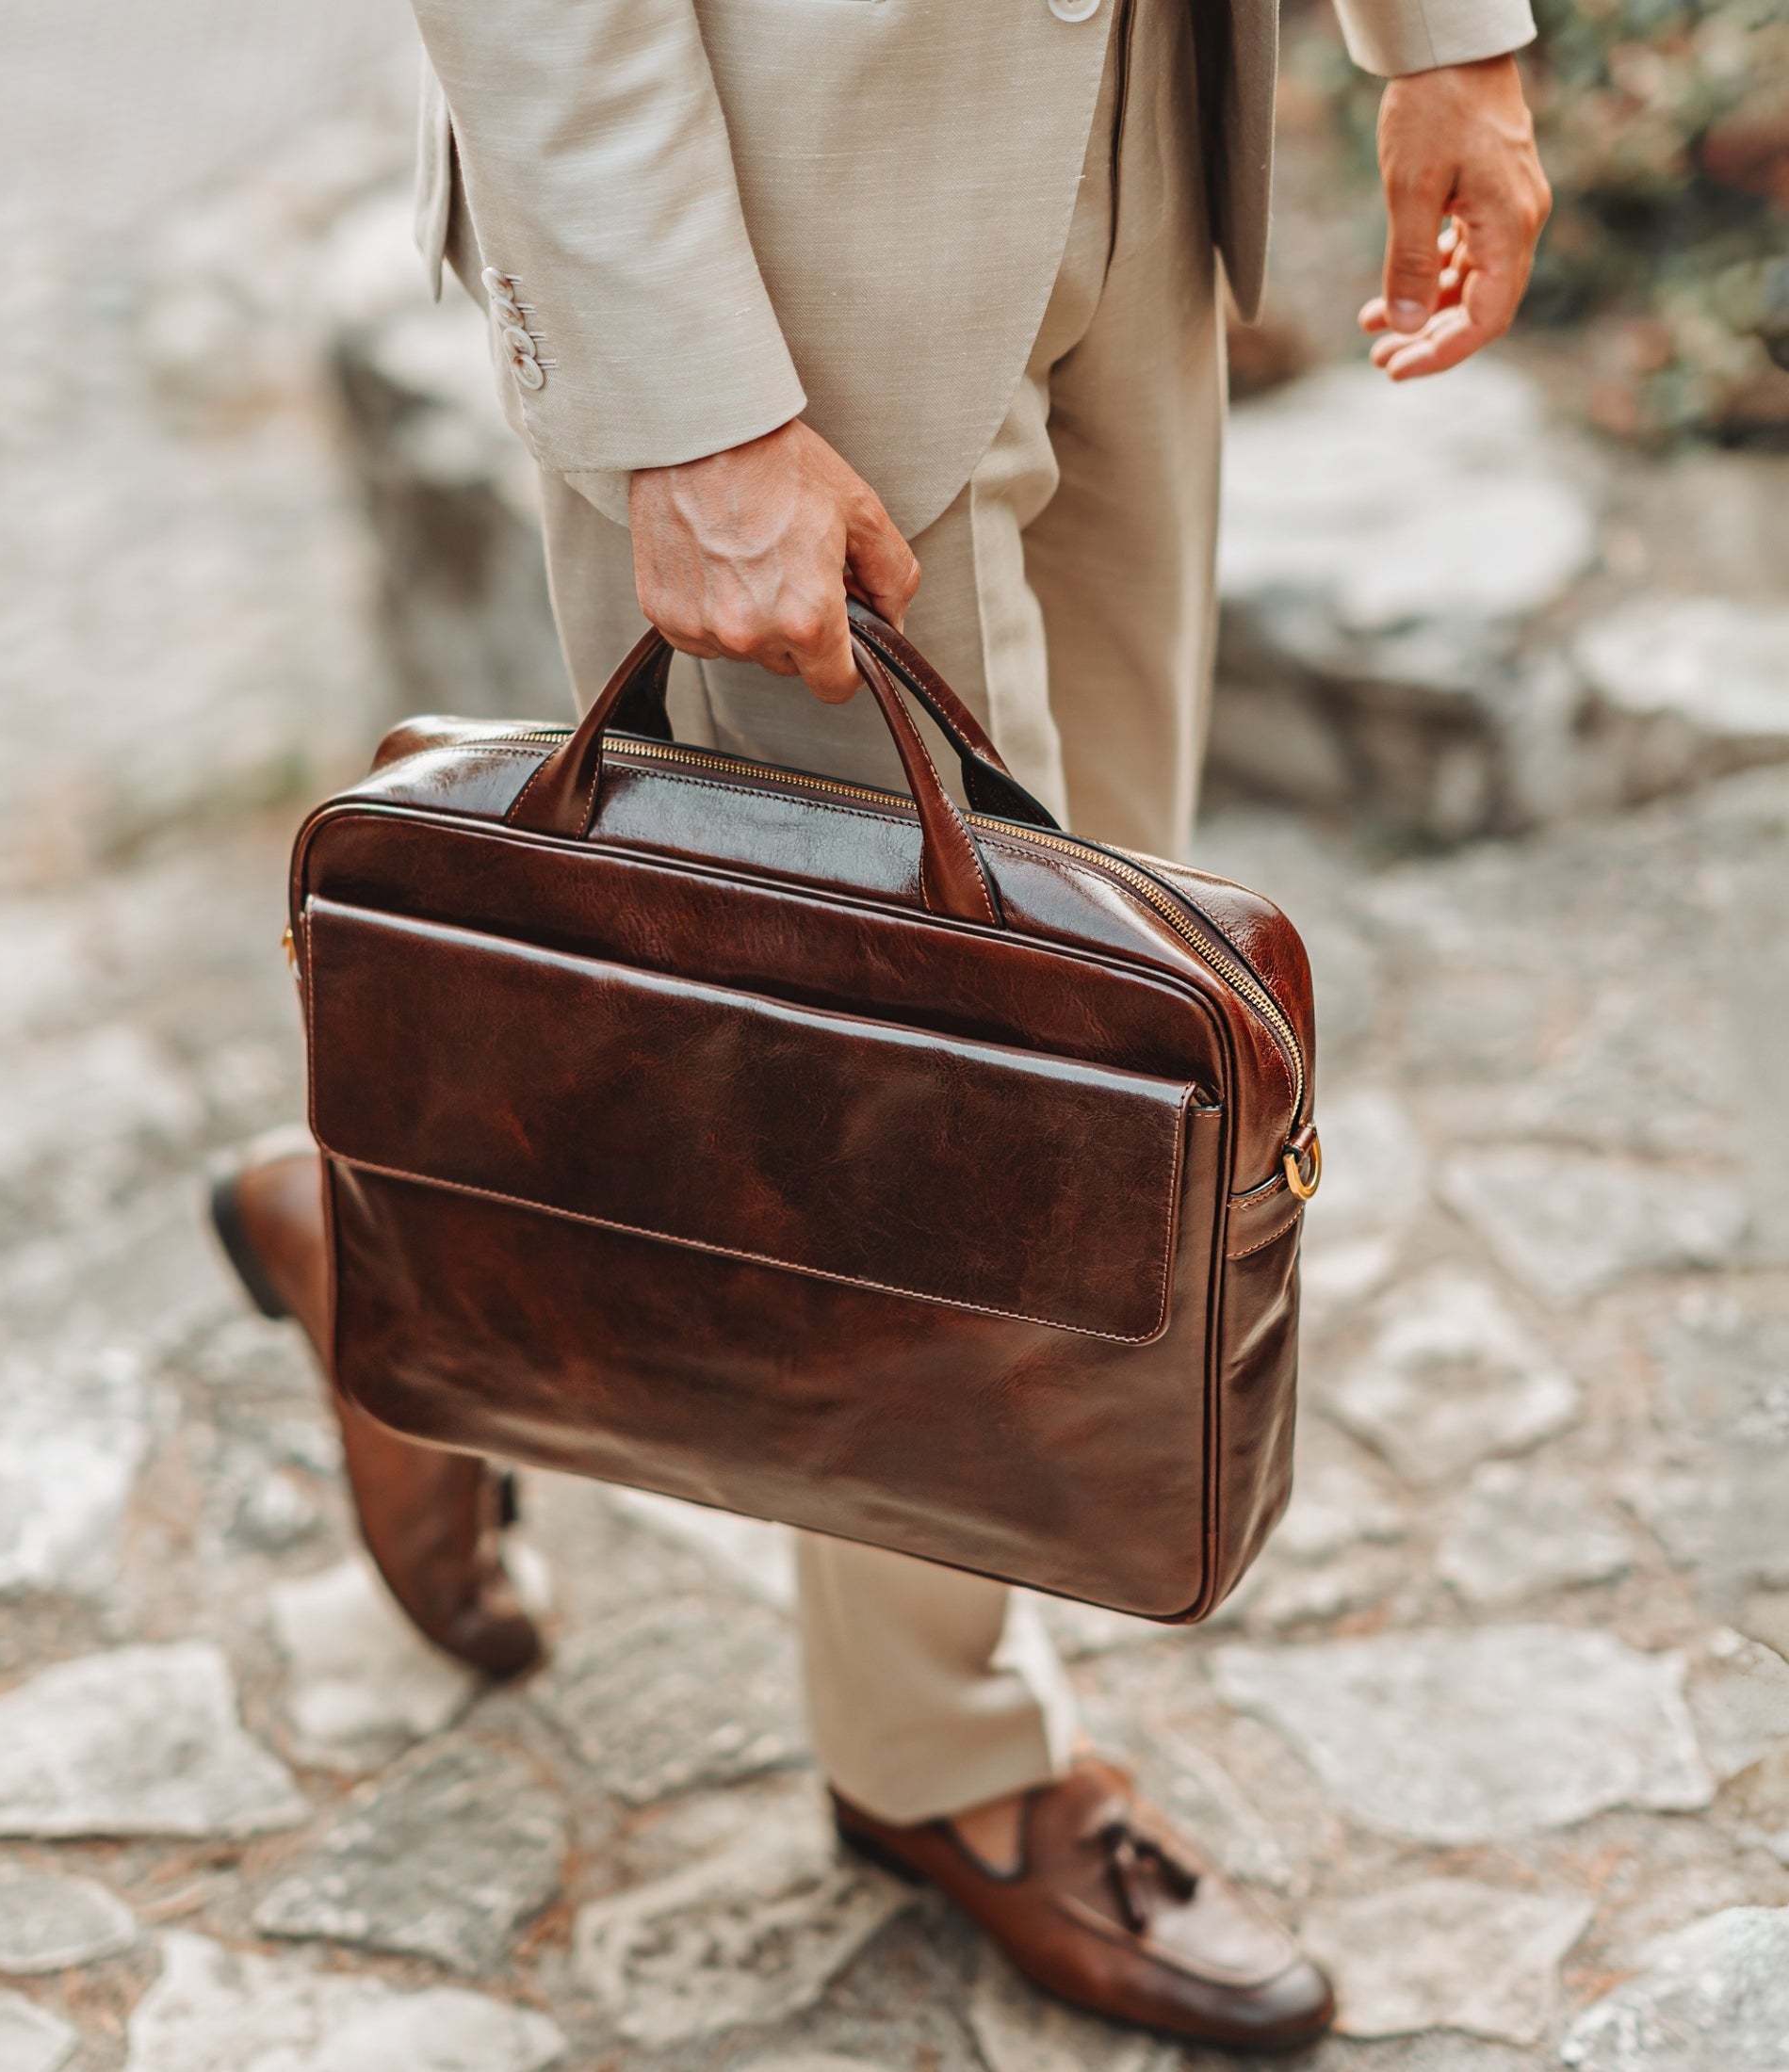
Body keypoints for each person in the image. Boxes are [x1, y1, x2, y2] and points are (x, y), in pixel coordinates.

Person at [212, 0, 1550, 2049]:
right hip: (776, 208)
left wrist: (1450, 41)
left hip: (1142, 114)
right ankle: (942, 1752)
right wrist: (684, 403)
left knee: (1092, 990)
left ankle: (415, 1228)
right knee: (952, 1094)